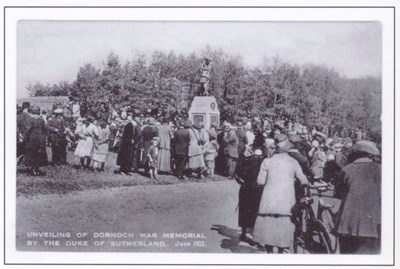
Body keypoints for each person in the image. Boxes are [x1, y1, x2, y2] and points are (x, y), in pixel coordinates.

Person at [253, 134, 308, 253]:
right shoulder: (293, 162)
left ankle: (269, 253)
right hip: (286, 200)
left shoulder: (267, 161)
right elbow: (303, 179)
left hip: (269, 201)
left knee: (268, 228)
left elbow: (260, 181)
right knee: (283, 228)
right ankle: (281, 252)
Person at [334, 140, 381, 254]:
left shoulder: (347, 169)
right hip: (373, 224)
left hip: (347, 224)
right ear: (371, 155)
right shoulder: (380, 169)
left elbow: (339, 194)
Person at [235, 148, 264, 242]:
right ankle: (254, 237)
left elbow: (237, 174)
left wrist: (242, 182)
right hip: (258, 189)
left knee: (244, 210)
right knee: (256, 211)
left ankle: (243, 233)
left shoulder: (247, 160)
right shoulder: (264, 162)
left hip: (246, 188)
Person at [23, 106, 58, 175]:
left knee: (32, 153)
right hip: (41, 139)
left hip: (33, 138)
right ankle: (37, 169)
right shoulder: (41, 120)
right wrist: (54, 129)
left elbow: (28, 130)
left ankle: (33, 170)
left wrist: (25, 137)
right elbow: (45, 127)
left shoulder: (30, 120)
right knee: (39, 154)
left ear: (32, 112)